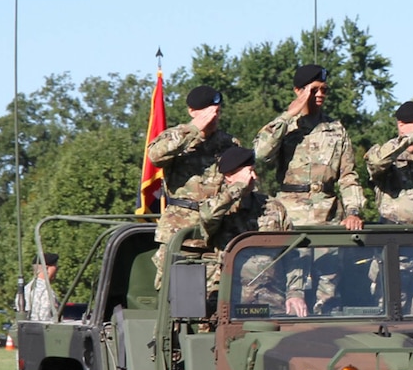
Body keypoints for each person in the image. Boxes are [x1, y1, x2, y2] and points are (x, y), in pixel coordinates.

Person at [148, 85, 239, 288]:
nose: (213, 116)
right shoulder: (176, 137)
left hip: (216, 231)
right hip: (180, 230)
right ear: (192, 111)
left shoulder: (228, 143)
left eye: (217, 111)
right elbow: (155, 156)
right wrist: (194, 130)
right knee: (176, 294)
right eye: (207, 111)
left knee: (217, 293)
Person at [254, 64, 365, 230]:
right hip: (290, 215)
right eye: (314, 90)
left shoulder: (335, 129)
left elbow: (348, 176)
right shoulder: (285, 126)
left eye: (324, 90)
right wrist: (288, 115)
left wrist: (353, 212)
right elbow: (260, 153)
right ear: (298, 91)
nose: (320, 94)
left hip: (328, 216)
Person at [196, 146, 306, 315]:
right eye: (248, 172)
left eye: (254, 171)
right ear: (228, 176)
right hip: (228, 306)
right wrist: (237, 188)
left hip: (272, 304)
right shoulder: (217, 206)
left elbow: (292, 255)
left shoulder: (272, 207)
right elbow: (207, 217)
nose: (253, 177)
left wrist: (295, 293)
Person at [22, 251, 59, 322]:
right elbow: (45, 321)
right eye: (55, 266)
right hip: (39, 331)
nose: (57, 269)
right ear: (47, 269)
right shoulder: (46, 291)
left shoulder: (26, 289)